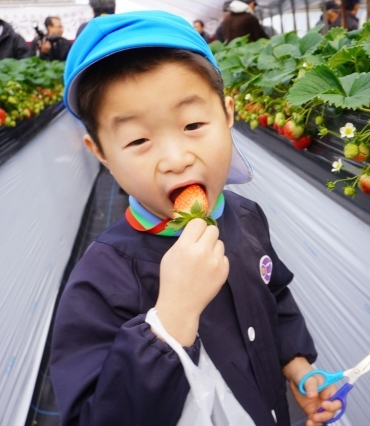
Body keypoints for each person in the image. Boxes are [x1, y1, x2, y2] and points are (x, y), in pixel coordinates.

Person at [50, 10, 341, 426]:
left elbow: (273, 294)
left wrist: (296, 366)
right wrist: (169, 321)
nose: (176, 158)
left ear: (227, 115)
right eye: (137, 139)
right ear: (100, 154)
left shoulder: (246, 216)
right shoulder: (98, 283)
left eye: (192, 124)